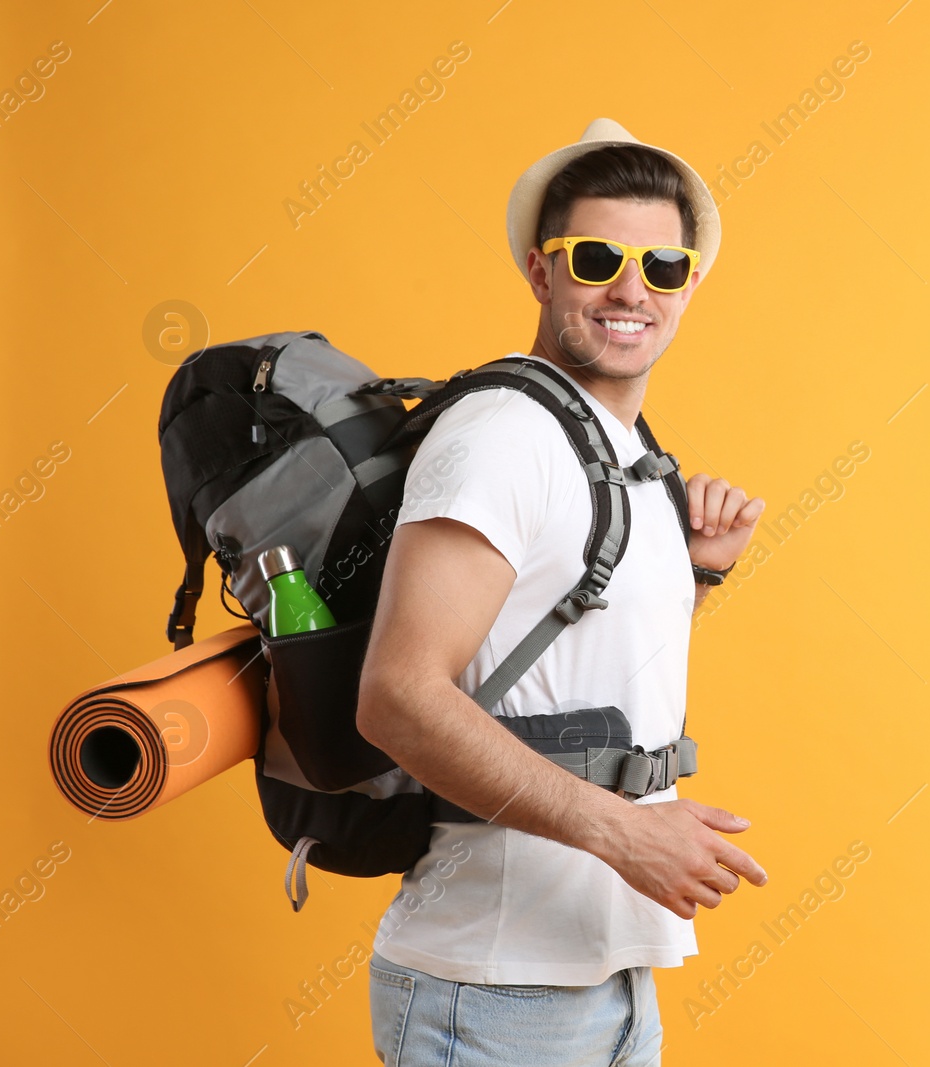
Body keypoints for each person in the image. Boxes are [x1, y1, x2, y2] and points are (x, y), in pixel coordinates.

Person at [355, 118, 768, 1066]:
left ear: (690, 283)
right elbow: (398, 695)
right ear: (541, 272)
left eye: (662, 265)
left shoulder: (623, 450)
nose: (632, 289)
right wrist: (624, 831)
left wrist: (696, 571)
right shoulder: (504, 434)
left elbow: (563, 660)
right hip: (492, 991)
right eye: (596, 257)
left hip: (606, 976)